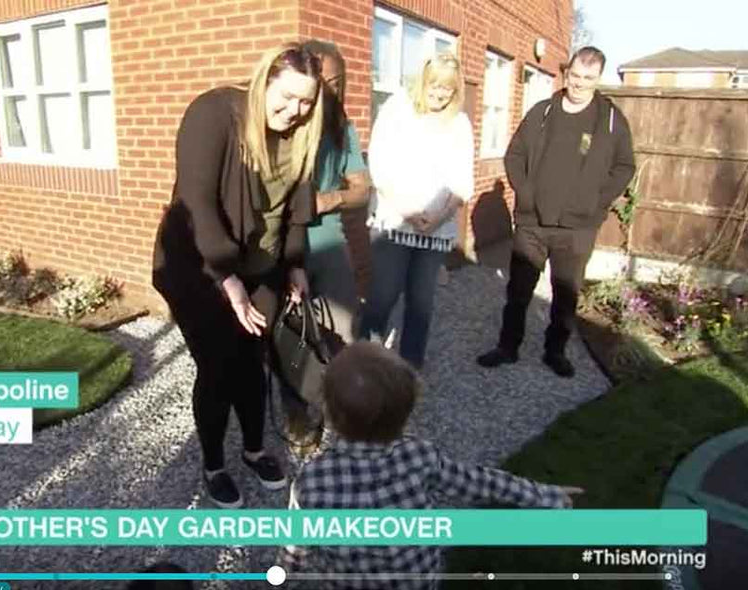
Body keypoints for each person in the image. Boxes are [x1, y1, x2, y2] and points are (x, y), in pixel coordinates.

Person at [151, 43, 324, 508]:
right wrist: (227, 282)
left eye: (306, 102)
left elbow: (297, 209)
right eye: (286, 97)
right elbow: (197, 207)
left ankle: (252, 449)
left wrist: (295, 265)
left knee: (252, 359)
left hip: (261, 266)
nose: (295, 111)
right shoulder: (213, 114)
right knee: (218, 367)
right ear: (264, 80)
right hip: (200, 266)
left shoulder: (303, 133)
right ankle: (212, 463)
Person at [281, 341, 583, 589]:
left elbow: (294, 553)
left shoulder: (311, 485)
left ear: (330, 414)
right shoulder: (420, 456)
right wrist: (545, 495)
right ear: (404, 416)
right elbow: (480, 482)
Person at [477, 46, 635, 378]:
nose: (579, 84)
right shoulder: (543, 112)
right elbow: (515, 154)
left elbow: (624, 167)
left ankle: (555, 351)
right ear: (566, 73)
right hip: (532, 222)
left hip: (577, 229)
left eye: (587, 78)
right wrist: (526, 191)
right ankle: (507, 347)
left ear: (598, 79)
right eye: (574, 75)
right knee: (518, 291)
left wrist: (596, 201)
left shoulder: (609, 119)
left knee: (565, 295)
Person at [359, 52, 474, 368]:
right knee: (383, 296)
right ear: (423, 81)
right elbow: (379, 164)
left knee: (421, 304)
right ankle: (363, 364)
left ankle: (409, 369)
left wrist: (438, 216)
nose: (439, 94)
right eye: (434, 85)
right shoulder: (397, 108)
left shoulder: (460, 123)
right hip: (395, 221)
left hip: (435, 230)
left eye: (447, 89)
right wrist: (408, 209)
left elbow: (463, 180)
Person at [300, 40, 371, 343]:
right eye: (321, 83)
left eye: (336, 83)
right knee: (291, 341)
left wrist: (330, 199)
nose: (330, 92)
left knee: (341, 337)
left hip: (328, 245)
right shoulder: (287, 122)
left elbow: (363, 190)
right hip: (284, 248)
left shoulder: (343, 128)